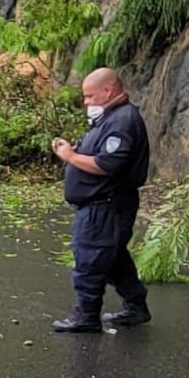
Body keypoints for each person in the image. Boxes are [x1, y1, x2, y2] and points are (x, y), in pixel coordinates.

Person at [49, 67, 152, 333]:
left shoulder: (122, 121)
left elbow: (109, 164)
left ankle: (86, 315)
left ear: (108, 91)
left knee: (89, 258)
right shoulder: (110, 118)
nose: (86, 103)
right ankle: (136, 306)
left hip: (105, 206)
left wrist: (70, 157)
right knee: (114, 258)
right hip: (102, 204)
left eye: (89, 96)